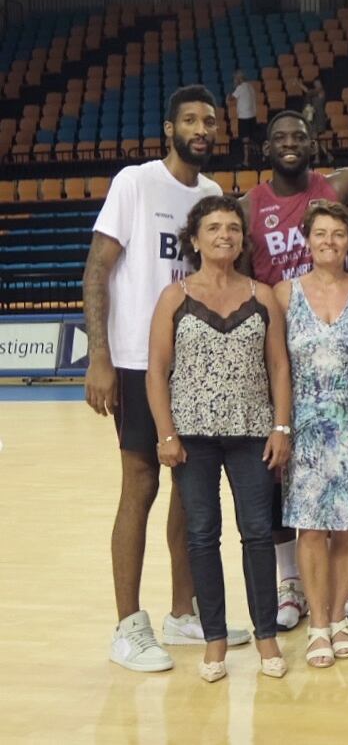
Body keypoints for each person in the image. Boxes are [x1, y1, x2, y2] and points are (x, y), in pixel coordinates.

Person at [84, 84, 233, 673]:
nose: (201, 129)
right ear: (169, 129)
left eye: (209, 121)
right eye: (190, 120)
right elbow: (97, 269)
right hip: (135, 359)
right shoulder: (136, 182)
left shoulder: (213, 194)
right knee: (140, 485)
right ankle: (127, 627)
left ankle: (181, 613)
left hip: (193, 360)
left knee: (189, 488)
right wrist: (99, 356)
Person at [145, 195, 292, 682]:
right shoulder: (174, 297)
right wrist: (165, 433)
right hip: (192, 438)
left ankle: (266, 635)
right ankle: (214, 639)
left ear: (243, 239)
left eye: (232, 227)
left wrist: (281, 426)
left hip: (252, 433)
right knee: (203, 536)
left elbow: (278, 366)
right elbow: (157, 371)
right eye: (213, 227)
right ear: (195, 239)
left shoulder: (262, 295)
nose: (224, 235)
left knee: (258, 533)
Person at [241, 110, 348, 632]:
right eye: (280, 136)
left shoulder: (333, 185)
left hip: (347, 387)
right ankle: (292, 585)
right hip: (292, 361)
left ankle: (334, 599)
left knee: (342, 513)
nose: (290, 143)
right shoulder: (250, 205)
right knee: (290, 502)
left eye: (299, 135)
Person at [275, 200, 348, 668]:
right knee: (310, 526)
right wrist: (280, 425)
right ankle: (317, 624)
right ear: (307, 240)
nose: (329, 241)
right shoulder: (284, 294)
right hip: (305, 425)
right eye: (320, 233)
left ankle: (339, 614)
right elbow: (276, 366)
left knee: (347, 525)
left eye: (338, 234)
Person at [229, 70, 258, 166]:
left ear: (239, 79)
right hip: (252, 116)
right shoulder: (250, 86)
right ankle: (253, 157)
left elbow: (231, 98)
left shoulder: (240, 87)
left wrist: (230, 93)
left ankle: (246, 160)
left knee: (245, 140)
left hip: (244, 117)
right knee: (250, 138)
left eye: (235, 79)